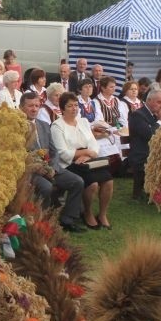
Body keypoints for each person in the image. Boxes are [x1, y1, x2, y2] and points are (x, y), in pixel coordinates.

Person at [20, 92, 85, 232]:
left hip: (51, 167)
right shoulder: (17, 127)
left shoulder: (43, 124)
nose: (34, 109)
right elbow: (19, 155)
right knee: (46, 187)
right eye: (30, 106)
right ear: (21, 107)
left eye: (37, 105)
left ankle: (67, 219)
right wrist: (36, 167)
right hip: (31, 171)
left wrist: (54, 168)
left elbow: (54, 151)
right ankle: (43, 222)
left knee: (77, 181)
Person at [51, 92, 114, 230]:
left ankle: (102, 214)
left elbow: (93, 143)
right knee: (92, 184)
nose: (74, 108)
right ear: (62, 109)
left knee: (108, 181)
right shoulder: (57, 126)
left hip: (88, 161)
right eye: (70, 106)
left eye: (75, 105)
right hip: (70, 164)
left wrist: (89, 155)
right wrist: (84, 152)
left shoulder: (83, 122)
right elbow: (62, 153)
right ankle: (88, 213)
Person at [128, 89, 161, 201]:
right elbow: (150, 135)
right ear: (149, 100)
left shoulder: (155, 115)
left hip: (153, 154)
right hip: (141, 155)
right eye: (159, 102)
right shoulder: (137, 115)